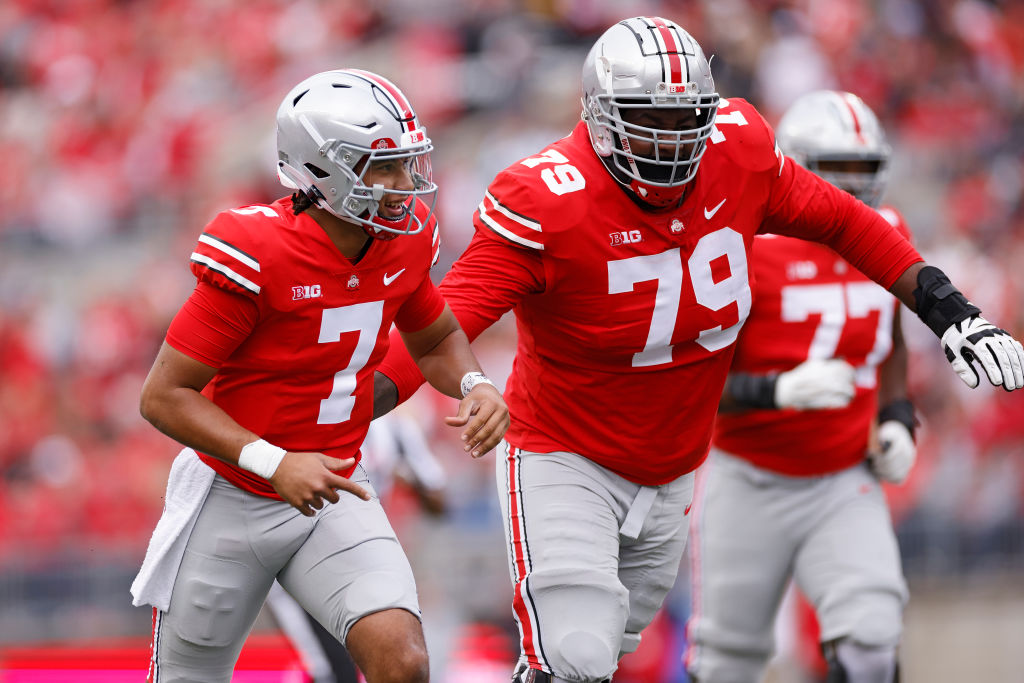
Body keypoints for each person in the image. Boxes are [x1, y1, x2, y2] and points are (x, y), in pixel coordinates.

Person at [373, 17, 1024, 683]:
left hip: (671, 471)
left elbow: (845, 221)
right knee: (574, 654)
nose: (672, 137)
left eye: (687, 117)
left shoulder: (735, 152)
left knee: (590, 660)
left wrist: (952, 313)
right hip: (565, 454)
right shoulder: (546, 199)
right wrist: (346, 407)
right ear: (599, 118)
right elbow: (443, 323)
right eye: (649, 120)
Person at [129, 68, 509, 683]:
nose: (403, 185)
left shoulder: (403, 244)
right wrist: (275, 463)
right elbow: (163, 396)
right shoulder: (259, 249)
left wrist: (475, 384)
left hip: (336, 487)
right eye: (382, 167)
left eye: (407, 165)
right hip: (232, 495)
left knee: (402, 659)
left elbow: (435, 336)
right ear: (322, 169)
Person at [684, 90, 918, 683]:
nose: (853, 189)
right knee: (726, 663)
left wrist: (896, 415)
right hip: (748, 476)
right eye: (836, 171)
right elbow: (693, 381)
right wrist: (777, 392)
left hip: (843, 478)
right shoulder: (745, 246)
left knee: (871, 641)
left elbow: (890, 334)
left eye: (864, 171)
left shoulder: (887, 229)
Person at [265, 409, 449, 683]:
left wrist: (407, 477)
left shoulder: (396, 431)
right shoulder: (307, 415)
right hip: (300, 561)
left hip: (363, 562)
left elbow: (439, 502)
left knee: (394, 661)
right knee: (332, 670)